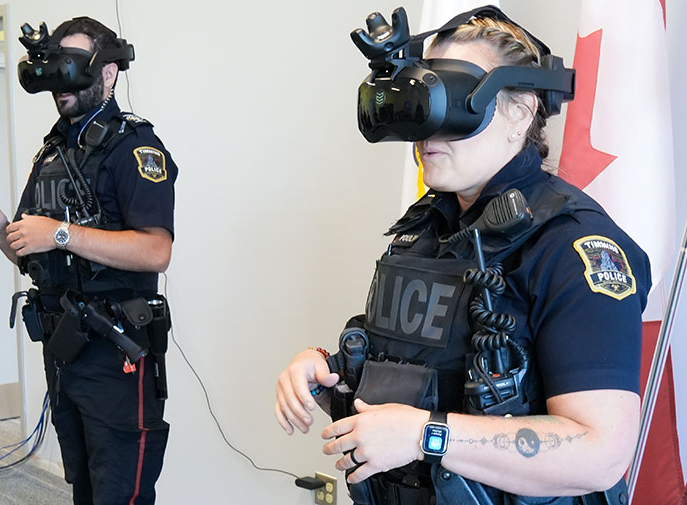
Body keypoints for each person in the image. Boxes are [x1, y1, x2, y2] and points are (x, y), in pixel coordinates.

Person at [275, 6, 650, 505]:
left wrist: (425, 435)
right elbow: (406, 399)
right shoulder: (428, 229)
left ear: (519, 112)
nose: (426, 132)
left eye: (452, 103)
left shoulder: (571, 247)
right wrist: (322, 374)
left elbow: (601, 453)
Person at [0, 16, 176, 505]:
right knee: (86, 490)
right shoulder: (53, 152)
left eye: (71, 66)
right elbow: (38, 254)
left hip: (117, 356)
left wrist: (62, 233)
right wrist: (1, 231)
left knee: (121, 493)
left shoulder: (135, 148)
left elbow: (157, 249)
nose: (58, 84)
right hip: (65, 352)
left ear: (108, 72)